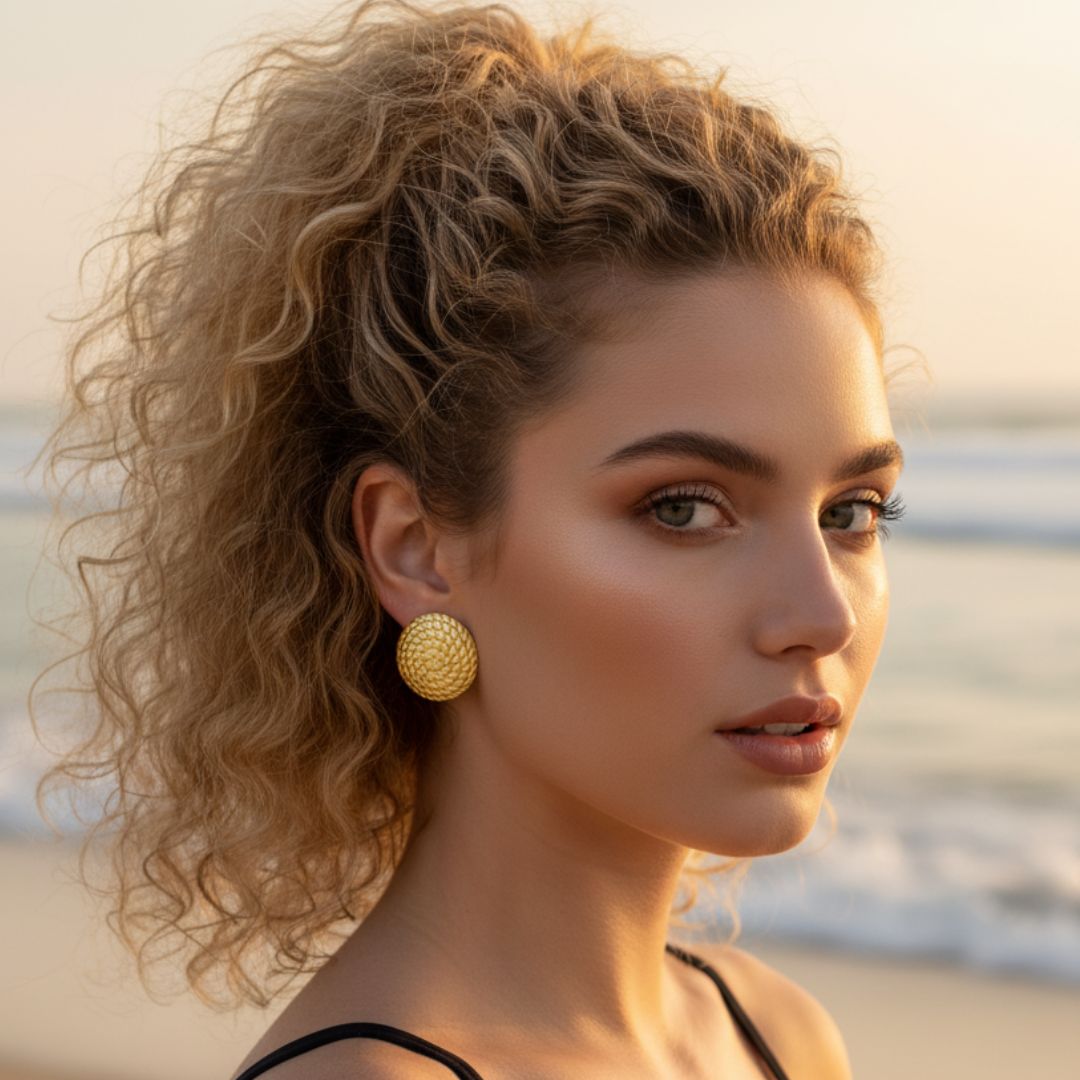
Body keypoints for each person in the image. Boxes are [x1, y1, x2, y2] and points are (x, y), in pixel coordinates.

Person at [31, 0, 910, 1075]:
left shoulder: (775, 1035)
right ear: (416, 549)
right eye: (683, 507)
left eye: (852, 513)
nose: (821, 613)